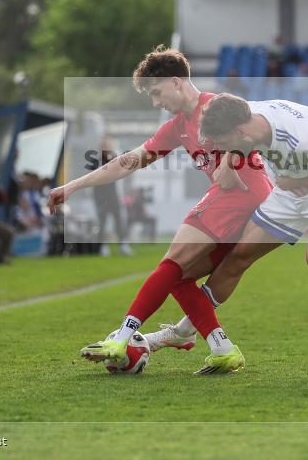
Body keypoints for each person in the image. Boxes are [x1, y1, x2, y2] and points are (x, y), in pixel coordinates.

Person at [48, 46, 274, 375]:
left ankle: (121, 338)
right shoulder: (177, 126)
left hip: (240, 194)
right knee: (179, 278)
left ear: (177, 81)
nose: (156, 102)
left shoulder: (216, 105)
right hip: (245, 203)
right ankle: (222, 349)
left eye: (157, 92)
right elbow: (127, 162)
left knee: (170, 263)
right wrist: (73, 186)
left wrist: (229, 160)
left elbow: (257, 129)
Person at [153, 93, 308, 380]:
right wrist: (229, 161)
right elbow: (237, 138)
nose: (221, 151)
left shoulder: (304, 138)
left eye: (223, 145)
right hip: (290, 190)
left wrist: (299, 180)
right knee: (238, 256)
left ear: (240, 132)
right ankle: (184, 331)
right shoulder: (245, 117)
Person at [91, 139, 133, 257]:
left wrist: (121, 197)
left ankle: (123, 245)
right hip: (101, 198)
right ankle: (102, 247)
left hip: (113, 197)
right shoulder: (96, 162)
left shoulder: (114, 160)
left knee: (119, 221)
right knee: (102, 223)